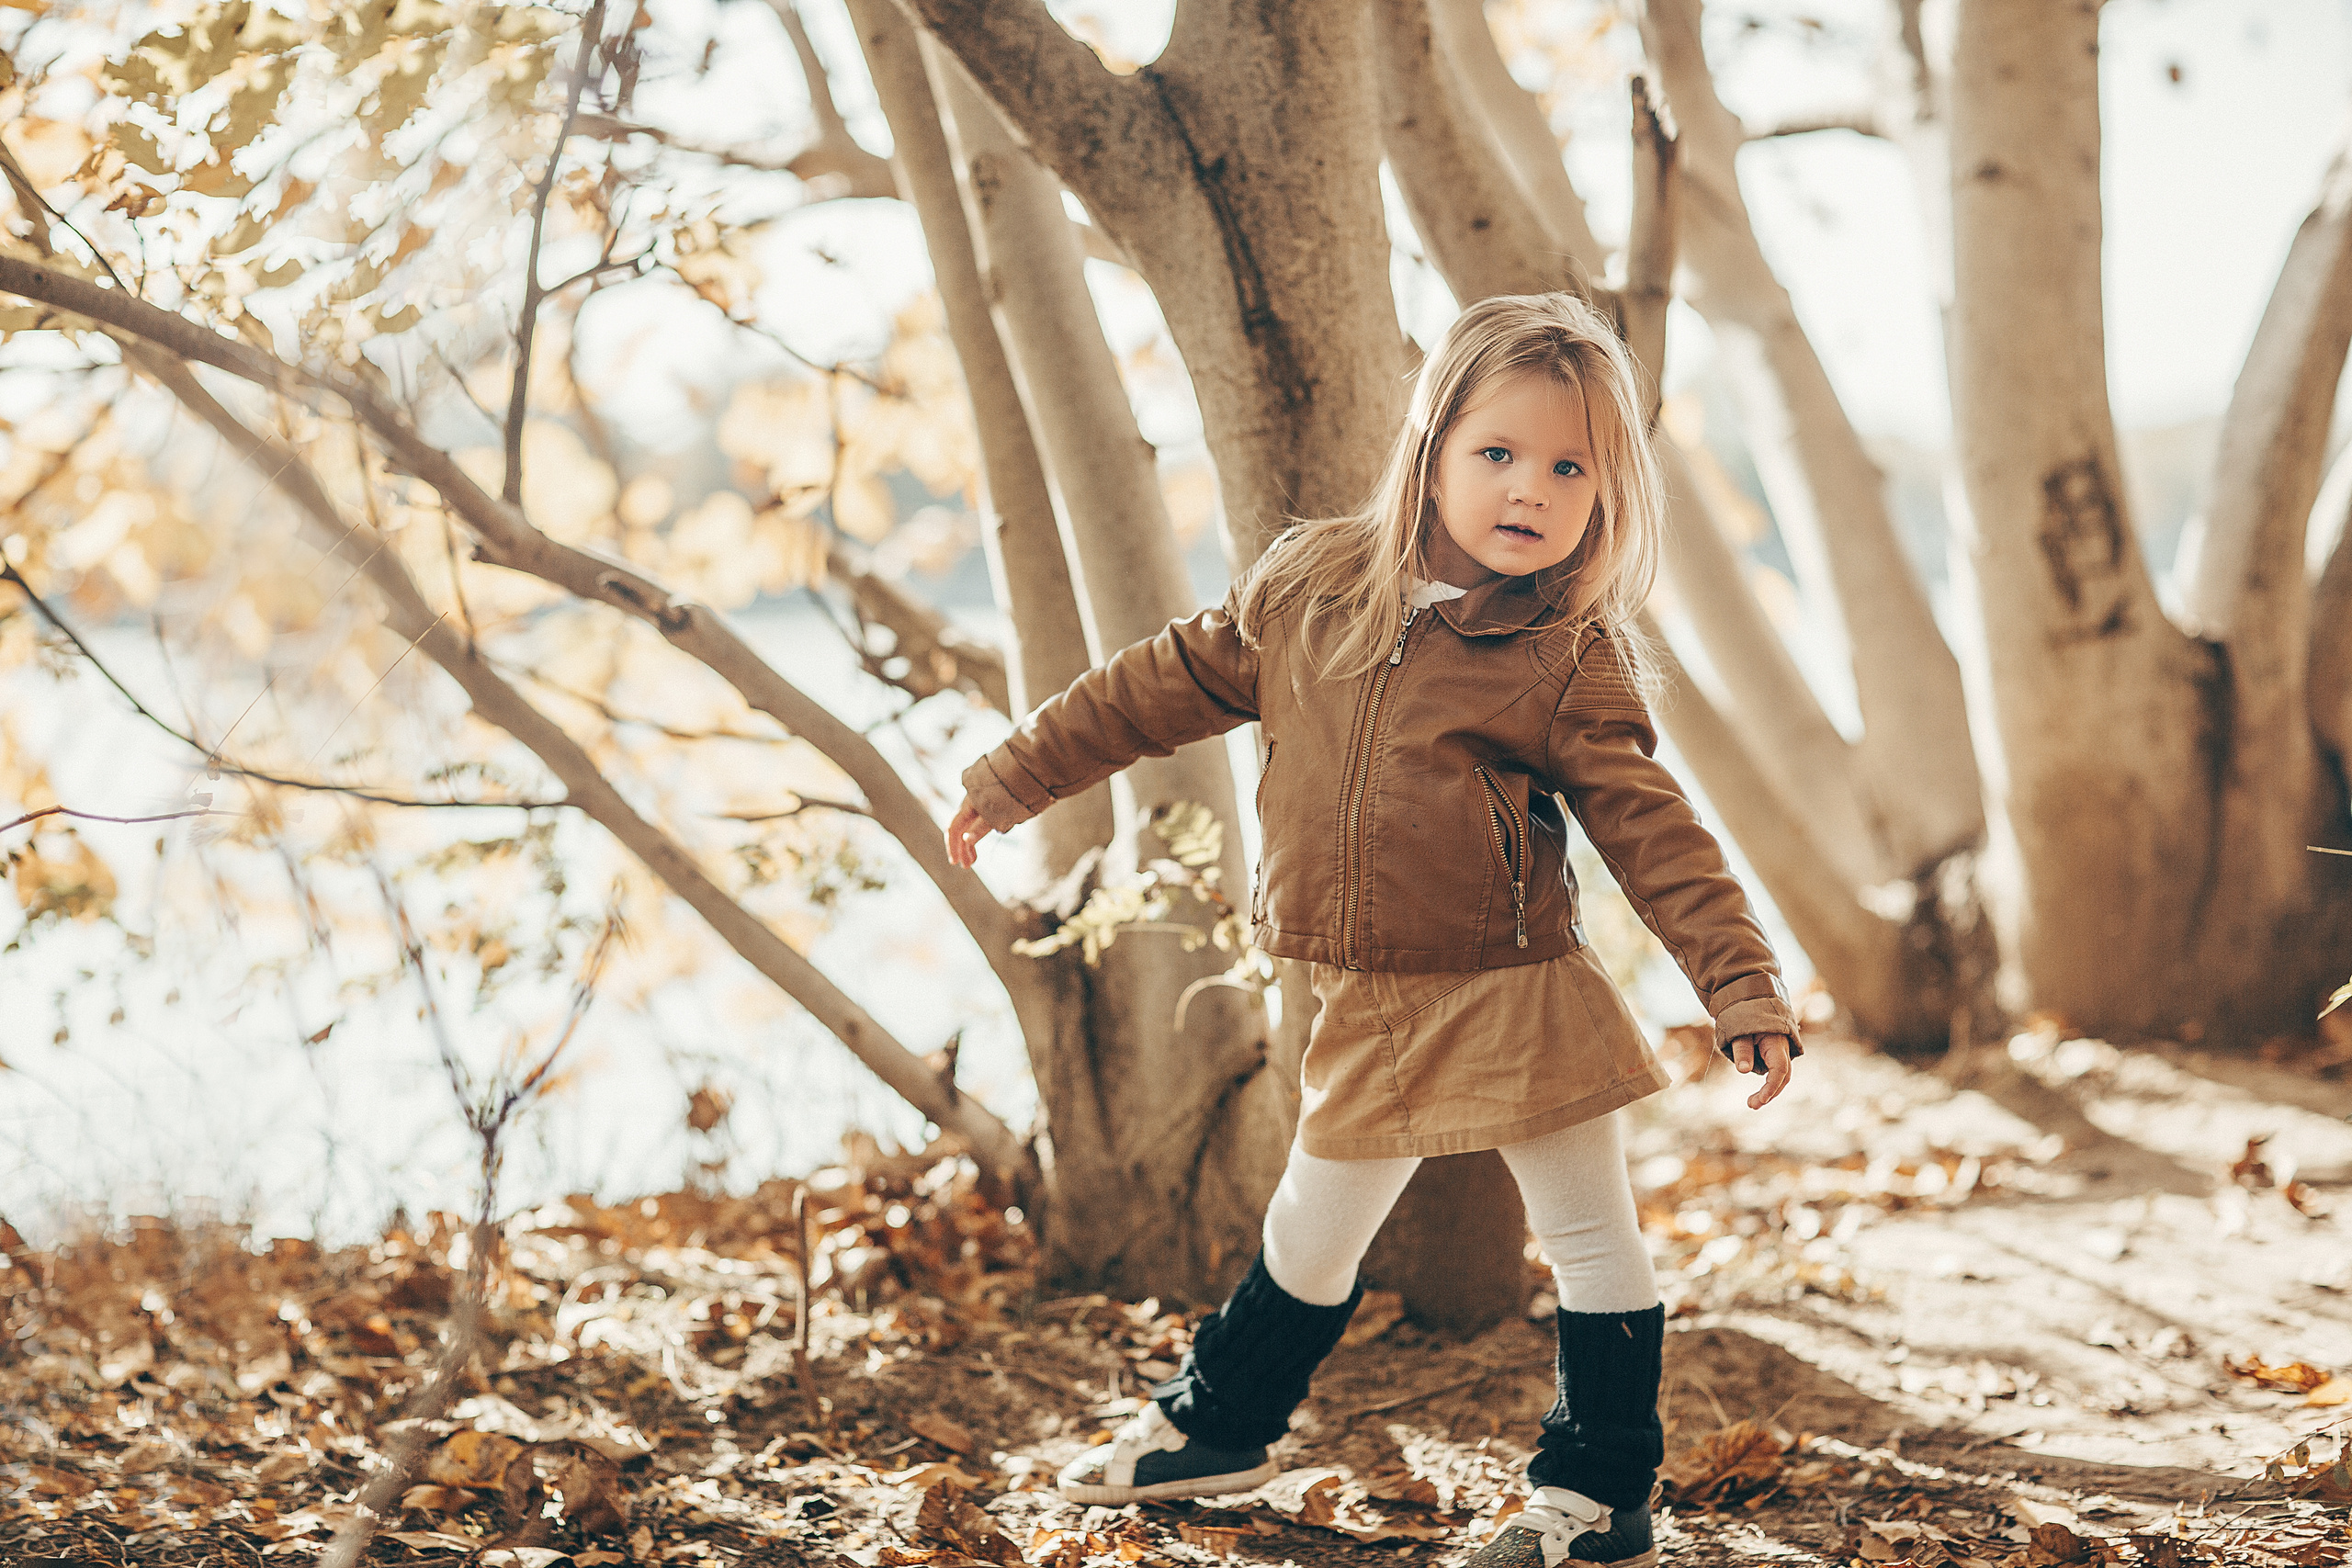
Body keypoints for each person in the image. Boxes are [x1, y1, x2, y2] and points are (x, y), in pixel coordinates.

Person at [944, 292, 1801, 1568]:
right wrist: (1019, 773)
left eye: (1572, 468)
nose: (1530, 489)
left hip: (1517, 989)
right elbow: (1157, 685)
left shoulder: (1563, 654)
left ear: (1607, 496)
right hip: (1371, 997)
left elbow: (1653, 830)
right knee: (1312, 1223)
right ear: (1433, 446)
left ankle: (1600, 1491)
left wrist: (1743, 984)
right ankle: (1221, 1427)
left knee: (1587, 1235)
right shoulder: (1308, 590)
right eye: (1499, 453)